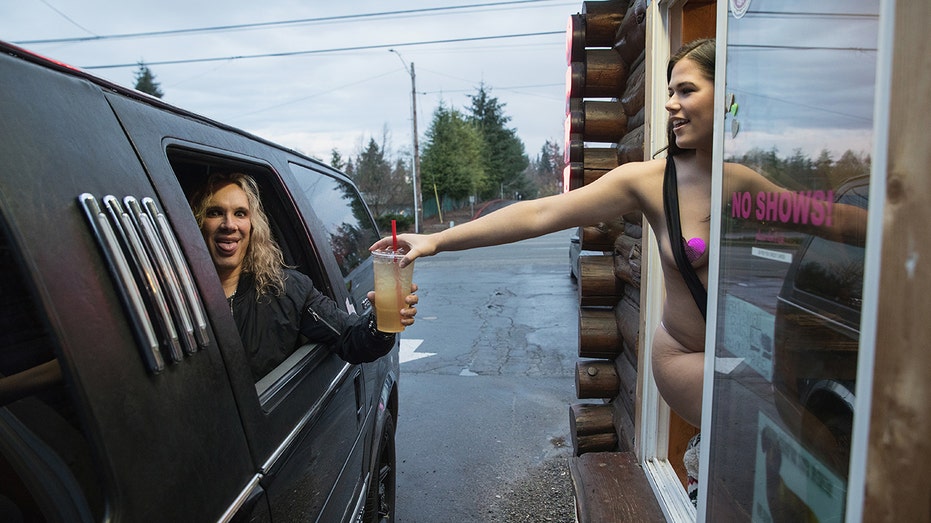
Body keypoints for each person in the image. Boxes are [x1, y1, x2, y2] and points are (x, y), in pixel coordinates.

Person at [371, 38, 864, 430]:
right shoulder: (650, 182)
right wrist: (435, 241)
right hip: (685, 357)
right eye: (670, 91)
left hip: (742, 354)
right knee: (794, 435)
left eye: (686, 90)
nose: (671, 104)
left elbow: (830, 220)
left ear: (727, 95)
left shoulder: (742, 181)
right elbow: (541, 213)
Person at [191, 172, 418, 379]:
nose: (229, 224)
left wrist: (380, 323)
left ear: (252, 225)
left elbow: (353, 339)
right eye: (215, 212)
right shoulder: (171, 297)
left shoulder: (286, 290)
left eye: (240, 213)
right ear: (197, 222)